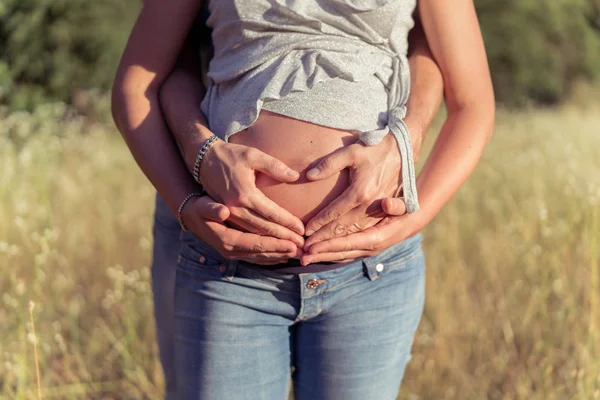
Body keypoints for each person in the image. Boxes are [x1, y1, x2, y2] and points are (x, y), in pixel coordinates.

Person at [112, 0, 494, 399]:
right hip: (228, 274)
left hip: (371, 274)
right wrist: (188, 199)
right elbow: (141, 82)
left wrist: (411, 219)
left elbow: (473, 103)